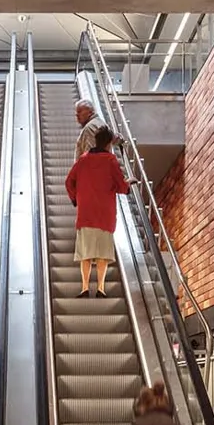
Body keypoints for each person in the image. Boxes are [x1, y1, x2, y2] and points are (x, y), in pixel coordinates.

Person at [65, 124, 134, 298]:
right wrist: (128, 184)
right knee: (102, 255)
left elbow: (69, 182)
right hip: (105, 215)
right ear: (109, 143)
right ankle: (101, 289)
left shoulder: (83, 159)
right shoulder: (110, 160)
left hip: (86, 215)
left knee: (85, 254)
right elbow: (120, 184)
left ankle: (85, 288)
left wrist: (75, 199)